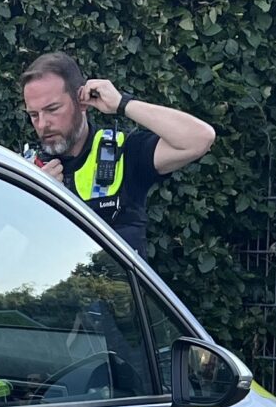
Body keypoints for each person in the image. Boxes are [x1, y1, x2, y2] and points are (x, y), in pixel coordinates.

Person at [19, 50, 216, 261]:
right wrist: (35, 200)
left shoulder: (123, 152)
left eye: (53, 109)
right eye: (33, 115)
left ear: (82, 101)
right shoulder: (24, 171)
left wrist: (122, 104)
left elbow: (200, 138)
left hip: (120, 293)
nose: (42, 124)